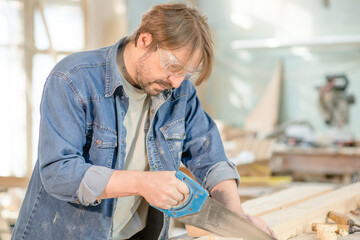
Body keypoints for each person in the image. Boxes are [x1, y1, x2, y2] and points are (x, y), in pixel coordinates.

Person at [12, 3, 276, 240]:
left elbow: (211, 156)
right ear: (144, 40)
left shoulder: (179, 91)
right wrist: (143, 183)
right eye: (172, 66)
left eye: (186, 73)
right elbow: (58, 173)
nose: (176, 81)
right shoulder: (73, 79)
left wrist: (234, 213)